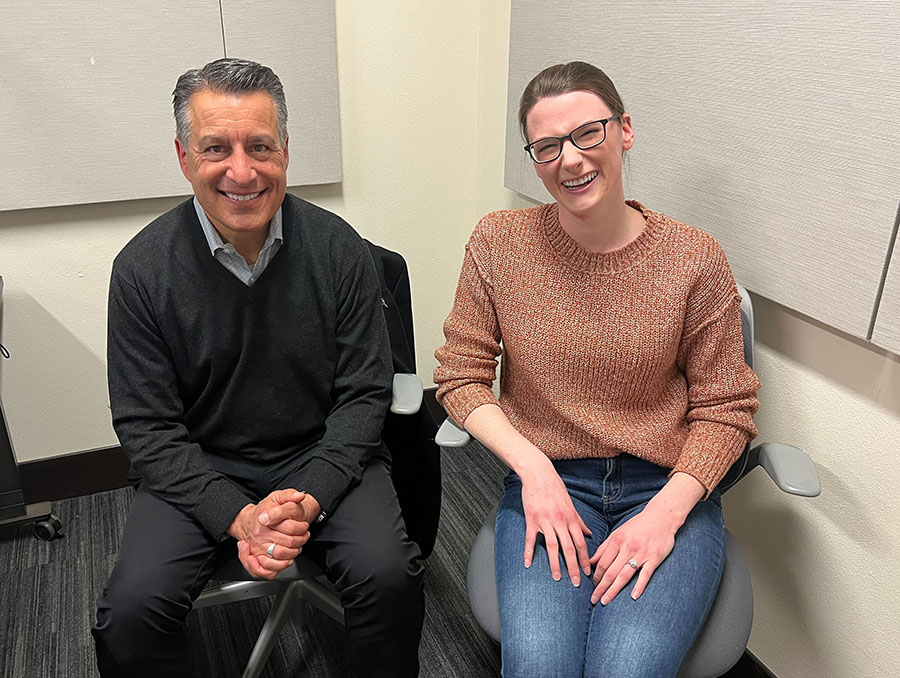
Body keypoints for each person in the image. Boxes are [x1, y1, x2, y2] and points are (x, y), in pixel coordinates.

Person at [92, 58, 423, 678]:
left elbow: (363, 395)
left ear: (287, 152)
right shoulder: (140, 271)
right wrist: (236, 514)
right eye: (216, 147)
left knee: (390, 577)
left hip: (322, 455)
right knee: (130, 614)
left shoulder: (340, 250)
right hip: (200, 463)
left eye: (260, 146)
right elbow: (146, 427)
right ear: (184, 156)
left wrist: (311, 497)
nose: (241, 171)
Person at [434, 61, 760, 677]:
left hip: (666, 489)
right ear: (533, 158)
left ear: (625, 129)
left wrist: (666, 514)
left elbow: (727, 409)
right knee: (538, 666)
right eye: (547, 145)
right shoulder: (498, 244)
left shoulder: (693, 258)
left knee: (627, 670)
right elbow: (460, 374)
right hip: (550, 481)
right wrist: (532, 469)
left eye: (589, 133)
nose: (572, 159)